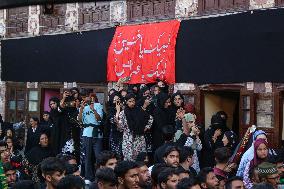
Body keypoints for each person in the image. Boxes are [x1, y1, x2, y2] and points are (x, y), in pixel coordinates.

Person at [117, 93, 153, 161]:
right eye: (129, 101)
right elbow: (121, 128)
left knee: (140, 161)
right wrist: (117, 123)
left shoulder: (139, 110)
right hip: (128, 140)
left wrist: (146, 128)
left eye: (133, 101)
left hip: (139, 139)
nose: (132, 103)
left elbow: (150, 118)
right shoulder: (123, 113)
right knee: (129, 162)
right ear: (126, 102)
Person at [78, 93, 104, 182]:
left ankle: (99, 177)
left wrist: (94, 110)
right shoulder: (84, 107)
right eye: (85, 98)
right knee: (87, 156)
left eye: (92, 98)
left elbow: (99, 119)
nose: (88, 99)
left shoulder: (98, 105)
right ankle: (88, 177)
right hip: (86, 133)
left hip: (97, 133)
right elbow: (80, 120)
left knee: (98, 156)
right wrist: (81, 109)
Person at [106, 92, 123, 158]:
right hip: (115, 135)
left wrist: (122, 109)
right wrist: (118, 111)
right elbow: (113, 121)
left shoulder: (123, 109)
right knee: (116, 155)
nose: (116, 102)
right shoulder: (110, 110)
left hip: (124, 135)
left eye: (118, 100)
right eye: (114, 100)